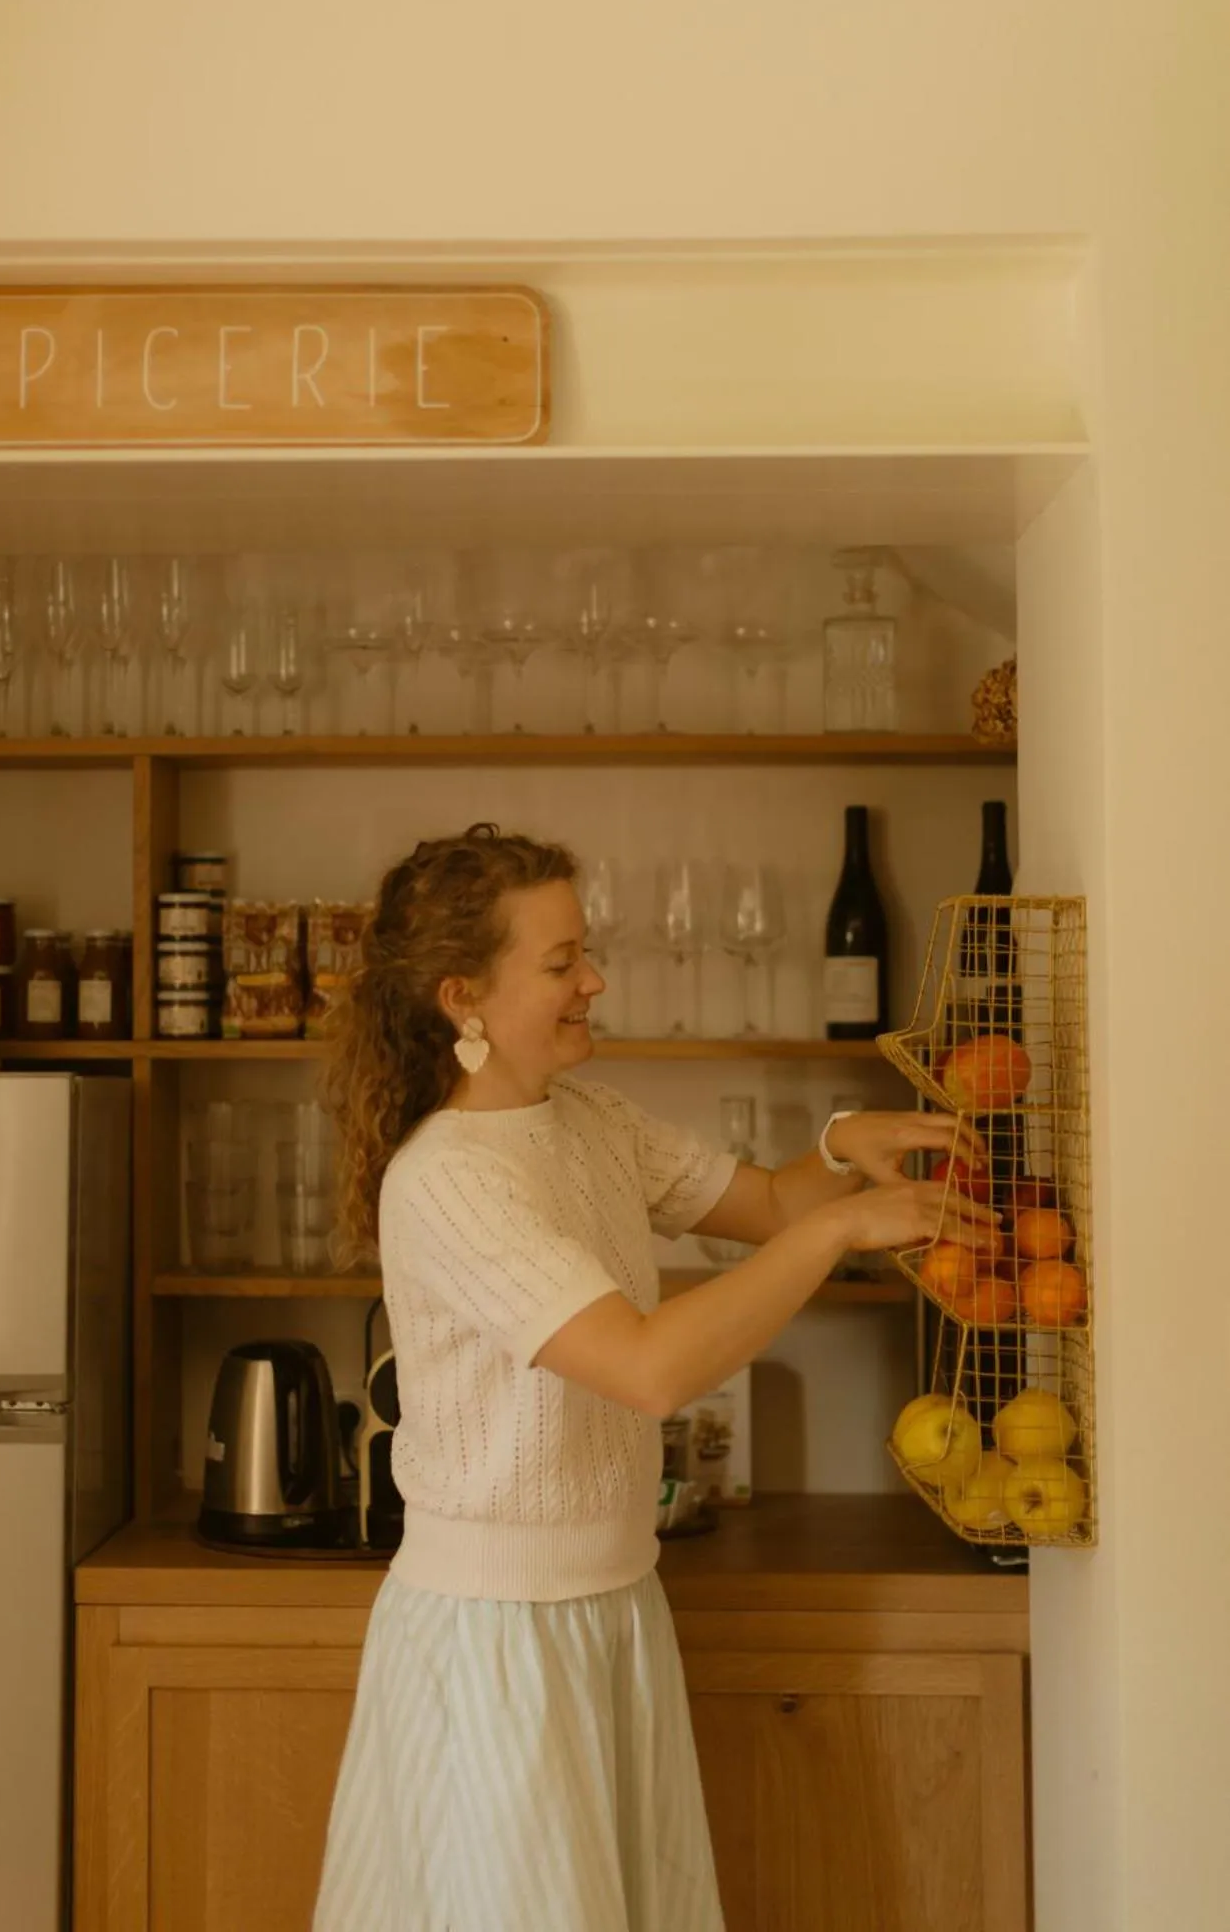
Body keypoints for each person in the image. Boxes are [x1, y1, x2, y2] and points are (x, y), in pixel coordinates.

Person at [312, 823, 997, 1932]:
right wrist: (839, 1232)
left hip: (612, 1606)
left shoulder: (587, 1120)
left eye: (585, 952)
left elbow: (764, 1204)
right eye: (560, 962)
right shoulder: (446, 1181)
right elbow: (644, 1367)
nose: (593, 980)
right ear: (461, 997)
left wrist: (837, 1151)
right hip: (496, 1639)